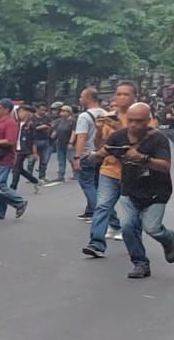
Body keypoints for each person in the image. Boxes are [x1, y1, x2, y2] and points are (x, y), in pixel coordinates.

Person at [107, 103, 174, 279]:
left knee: (152, 228)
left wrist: (142, 158)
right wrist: (90, 157)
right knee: (127, 227)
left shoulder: (158, 139)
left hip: (156, 191)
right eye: (130, 120)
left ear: (148, 121)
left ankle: (168, 238)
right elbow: (104, 150)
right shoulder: (119, 136)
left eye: (138, 121)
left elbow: (165, 166)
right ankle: (140, 263)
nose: (133, 125)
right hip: (129, 190)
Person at [84, 83, 137, 257]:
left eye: (125, 94)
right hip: (109, 168)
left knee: (132, 210)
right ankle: (96, 243)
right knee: (102, 206)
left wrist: (117, 128)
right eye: (118, 94)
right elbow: (100, 145)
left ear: (134, 97)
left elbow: (141, 143)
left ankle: (136, 246)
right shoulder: (108, 116)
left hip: (132, 169)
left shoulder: (141, 116)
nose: (120, 98)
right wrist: (99, 131)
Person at [0, 99, 29, 221]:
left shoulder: (10, 123)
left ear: (6, 110)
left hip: (4, 158)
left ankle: (19, 202)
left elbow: (10, 141)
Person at [74, 88, 109, 220]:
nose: (80, 99)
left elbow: (81, 137)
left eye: (82, 97)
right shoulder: (106, 114)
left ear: (89, 98)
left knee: (87, 183)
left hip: (87, 153)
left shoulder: (84, 116)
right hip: (102, 153)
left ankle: (97, 212)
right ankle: (90, 210)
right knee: (97, 183)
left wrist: (77, 156)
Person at [10, 104, 42, 193]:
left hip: (25, 149)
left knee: (16, 168)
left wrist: (34, 152)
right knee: (19, 169)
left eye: (22, 112)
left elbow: (34, 139)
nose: (20, 113)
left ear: (28, 113)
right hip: (17, 148)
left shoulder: (30, 125)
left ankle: (13, 188)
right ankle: (35, 181)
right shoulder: (18, 123)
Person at [51, 105, 76, 182]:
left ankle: (76, 174)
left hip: (69, 143)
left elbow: (73, 132)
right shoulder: (59, 121)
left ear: (69, 112)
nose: (62, 113)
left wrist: (71, 142)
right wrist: (53, 135)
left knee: (71, 159)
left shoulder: (72, 121)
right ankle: (61, 175)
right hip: (60, 143)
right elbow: (55, 130)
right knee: (61, 160)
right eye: (61, 111)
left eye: (64, 111)